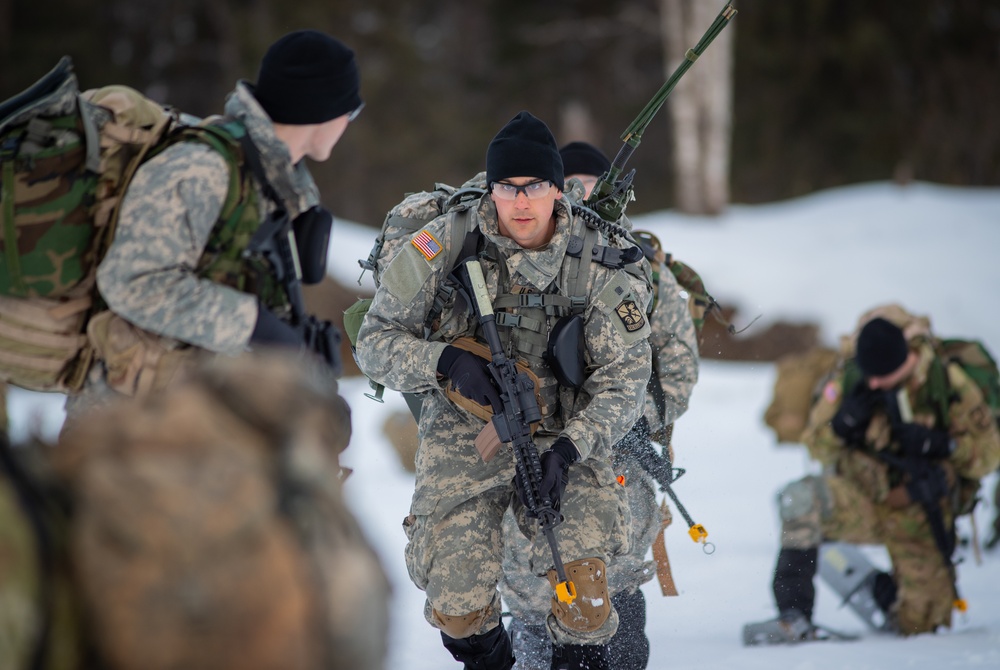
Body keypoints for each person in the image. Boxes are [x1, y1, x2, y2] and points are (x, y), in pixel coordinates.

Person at [355, 112, 654, 670]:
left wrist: (569, 450)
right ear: (490, 188)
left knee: (585, 601)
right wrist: (443, 360)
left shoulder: (602, 258)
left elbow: (624, 384)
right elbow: (373, 342)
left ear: (557, 188)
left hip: (569, 429)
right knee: (458, 604)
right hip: (468, 431)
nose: (520, 202)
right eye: (507, 188)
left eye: (535, 186)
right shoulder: (444, 239)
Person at [63, 29, 363, 426]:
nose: (347, 123)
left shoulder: (274, 183)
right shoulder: (202, 166)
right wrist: (255, 324)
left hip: (193, 417)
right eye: (350, 111)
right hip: (124, 422)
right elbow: (132, 282)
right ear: (323, 109)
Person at [501, 141, 700, 670]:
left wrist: (635, 418)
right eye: (570, 184)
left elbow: (678, 371)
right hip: (536, 446)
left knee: (620, 570)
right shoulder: (520, 256)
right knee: (529, 571)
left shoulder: (642, 270)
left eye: (593, 184)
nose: (582, 195)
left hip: (619, 453)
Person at [758, 310, 1000, 640]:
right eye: (869, 374)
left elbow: (989, 457)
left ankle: (880, 590)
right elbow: (816, 446)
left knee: (921, 626)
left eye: (881, 376)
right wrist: (842, 426)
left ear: (905, 361)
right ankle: (793, 615)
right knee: (800, 498)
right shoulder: (853, 378)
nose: (873, 383)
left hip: (919, 513)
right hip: (862, 500)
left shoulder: (946, 383)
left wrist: (943, 445)